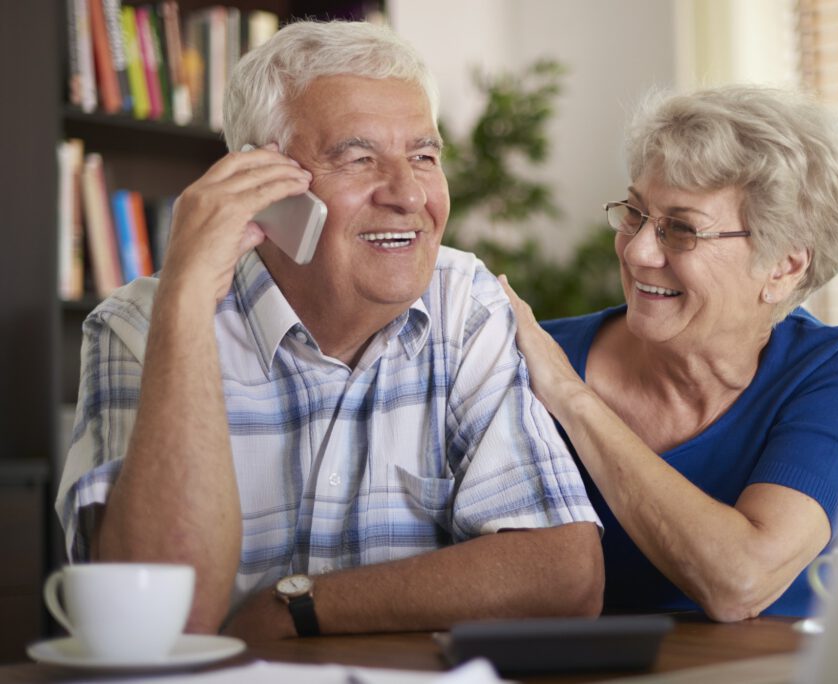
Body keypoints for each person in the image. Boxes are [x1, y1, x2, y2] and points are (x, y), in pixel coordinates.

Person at [55, 20, 603, 641]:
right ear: (262, 188)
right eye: (358, 158)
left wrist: (296, 606)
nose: (407, 194)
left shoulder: (465, 302)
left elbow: (564, 575)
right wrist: (185, 305)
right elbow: (159, 623)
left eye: (424, 156)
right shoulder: (139, 326)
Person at [501, 85, 838, 620]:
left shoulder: (834, 373)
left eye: (680, 230)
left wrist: (572, 397)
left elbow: (741, 581)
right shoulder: (527, 356)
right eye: (634, 213)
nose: (637, 251)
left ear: (783, 267)